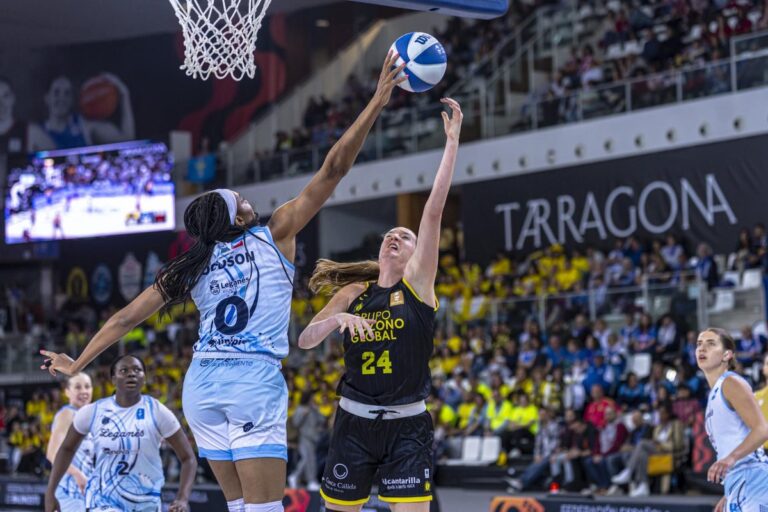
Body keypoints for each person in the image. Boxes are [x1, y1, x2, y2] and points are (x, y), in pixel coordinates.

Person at [41, 51, 408, 512]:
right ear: (235, 212)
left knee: (239, 508)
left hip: (201, 386)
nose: (247, 197)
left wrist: (77, 363)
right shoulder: (275, 233)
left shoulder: (191, 266)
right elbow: (333, 170)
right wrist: (376, 101)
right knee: (264, 509)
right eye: (240, 196)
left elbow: (123, 319)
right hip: (251, 380)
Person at [297, 97, 463, 511]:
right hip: (353, 422)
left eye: (404, 236)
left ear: (414, 253)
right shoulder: (353, 294)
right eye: (390, 233)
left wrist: (452, 144)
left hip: (407, 425)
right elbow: (304, 340)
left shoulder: (419, 287)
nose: (395, 237)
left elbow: (432, 213)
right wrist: (339, 320)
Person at [45, 355, 196, 512]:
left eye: (137, 370)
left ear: (144, 378)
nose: (131, 374)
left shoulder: (157, 411)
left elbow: (188, 458)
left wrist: (182, 498)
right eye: (124, 370)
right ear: (113, 379)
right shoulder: (92, 412)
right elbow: (65, 449)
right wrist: (50, 492)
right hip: (103, 501)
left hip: (146, 503)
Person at [696, 328, 768, 512]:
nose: (702, 348)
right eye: (699, 344)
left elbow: (762, 430)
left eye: (711, 344)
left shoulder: (731, 383)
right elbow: (734, 438)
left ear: (727, 354)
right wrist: (728, 494)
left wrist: (729, 459)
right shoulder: (715, 392)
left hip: (753, 477)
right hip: (737, 480)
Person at [29, 74, 135, 151]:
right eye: (56, 93)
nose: (62, 98)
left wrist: (124, 94)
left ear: (72, 100)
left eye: (67, 93)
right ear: (47, 98)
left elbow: (128, 139)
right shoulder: (36, 132)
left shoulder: (85, 126)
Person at [46, 373, 94, 512]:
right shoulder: (67, 414)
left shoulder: (89, 417)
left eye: (87, 386)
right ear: (67, 392)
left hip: (84, 492)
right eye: (78, 387)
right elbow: (52, 453)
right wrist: (76, 474)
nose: (84, 391)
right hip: (68, 491)